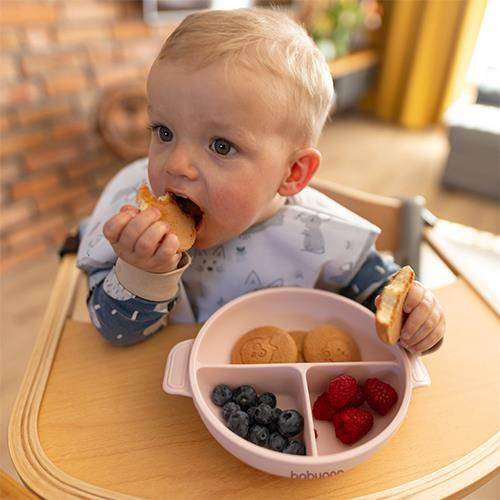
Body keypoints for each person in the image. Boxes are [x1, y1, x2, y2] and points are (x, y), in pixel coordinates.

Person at [77, 8, 445, 353]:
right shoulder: (133, 223)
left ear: (292, 173)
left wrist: (417, 316)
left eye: (221, 146)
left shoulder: (321, 232)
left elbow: (386, 300)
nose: (175, 164)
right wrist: (142, 272)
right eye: (164, 131)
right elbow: (114, 333)